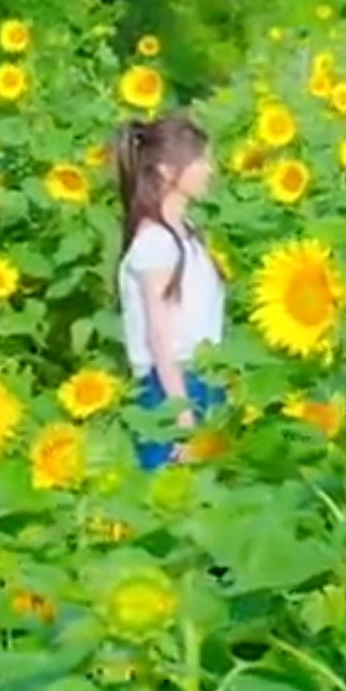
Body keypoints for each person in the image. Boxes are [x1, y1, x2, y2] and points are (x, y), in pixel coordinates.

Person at [112, 113, 226, 470]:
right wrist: (181, 415)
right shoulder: (155, 242)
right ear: (166, 171)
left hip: (202, 378)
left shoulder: (184, 230)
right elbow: (160, 338)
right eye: (198, 161)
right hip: (171, 386)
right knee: (171, 489)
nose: (209, 170)